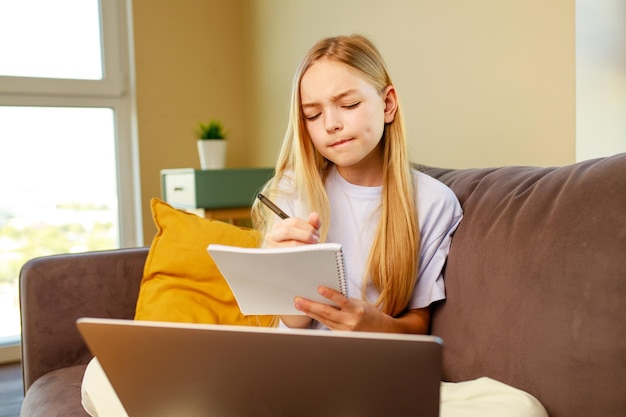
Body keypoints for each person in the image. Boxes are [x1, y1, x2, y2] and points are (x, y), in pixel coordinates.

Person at [251, 34, 462, 333]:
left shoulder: (432, 202)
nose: (330, 124)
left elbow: (419, 324)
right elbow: (294, 324)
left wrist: (375, 326)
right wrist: (283, 270)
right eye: (313, 114)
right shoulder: (291, 191)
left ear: (388, 104)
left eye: (348, 104)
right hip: (298, 365)